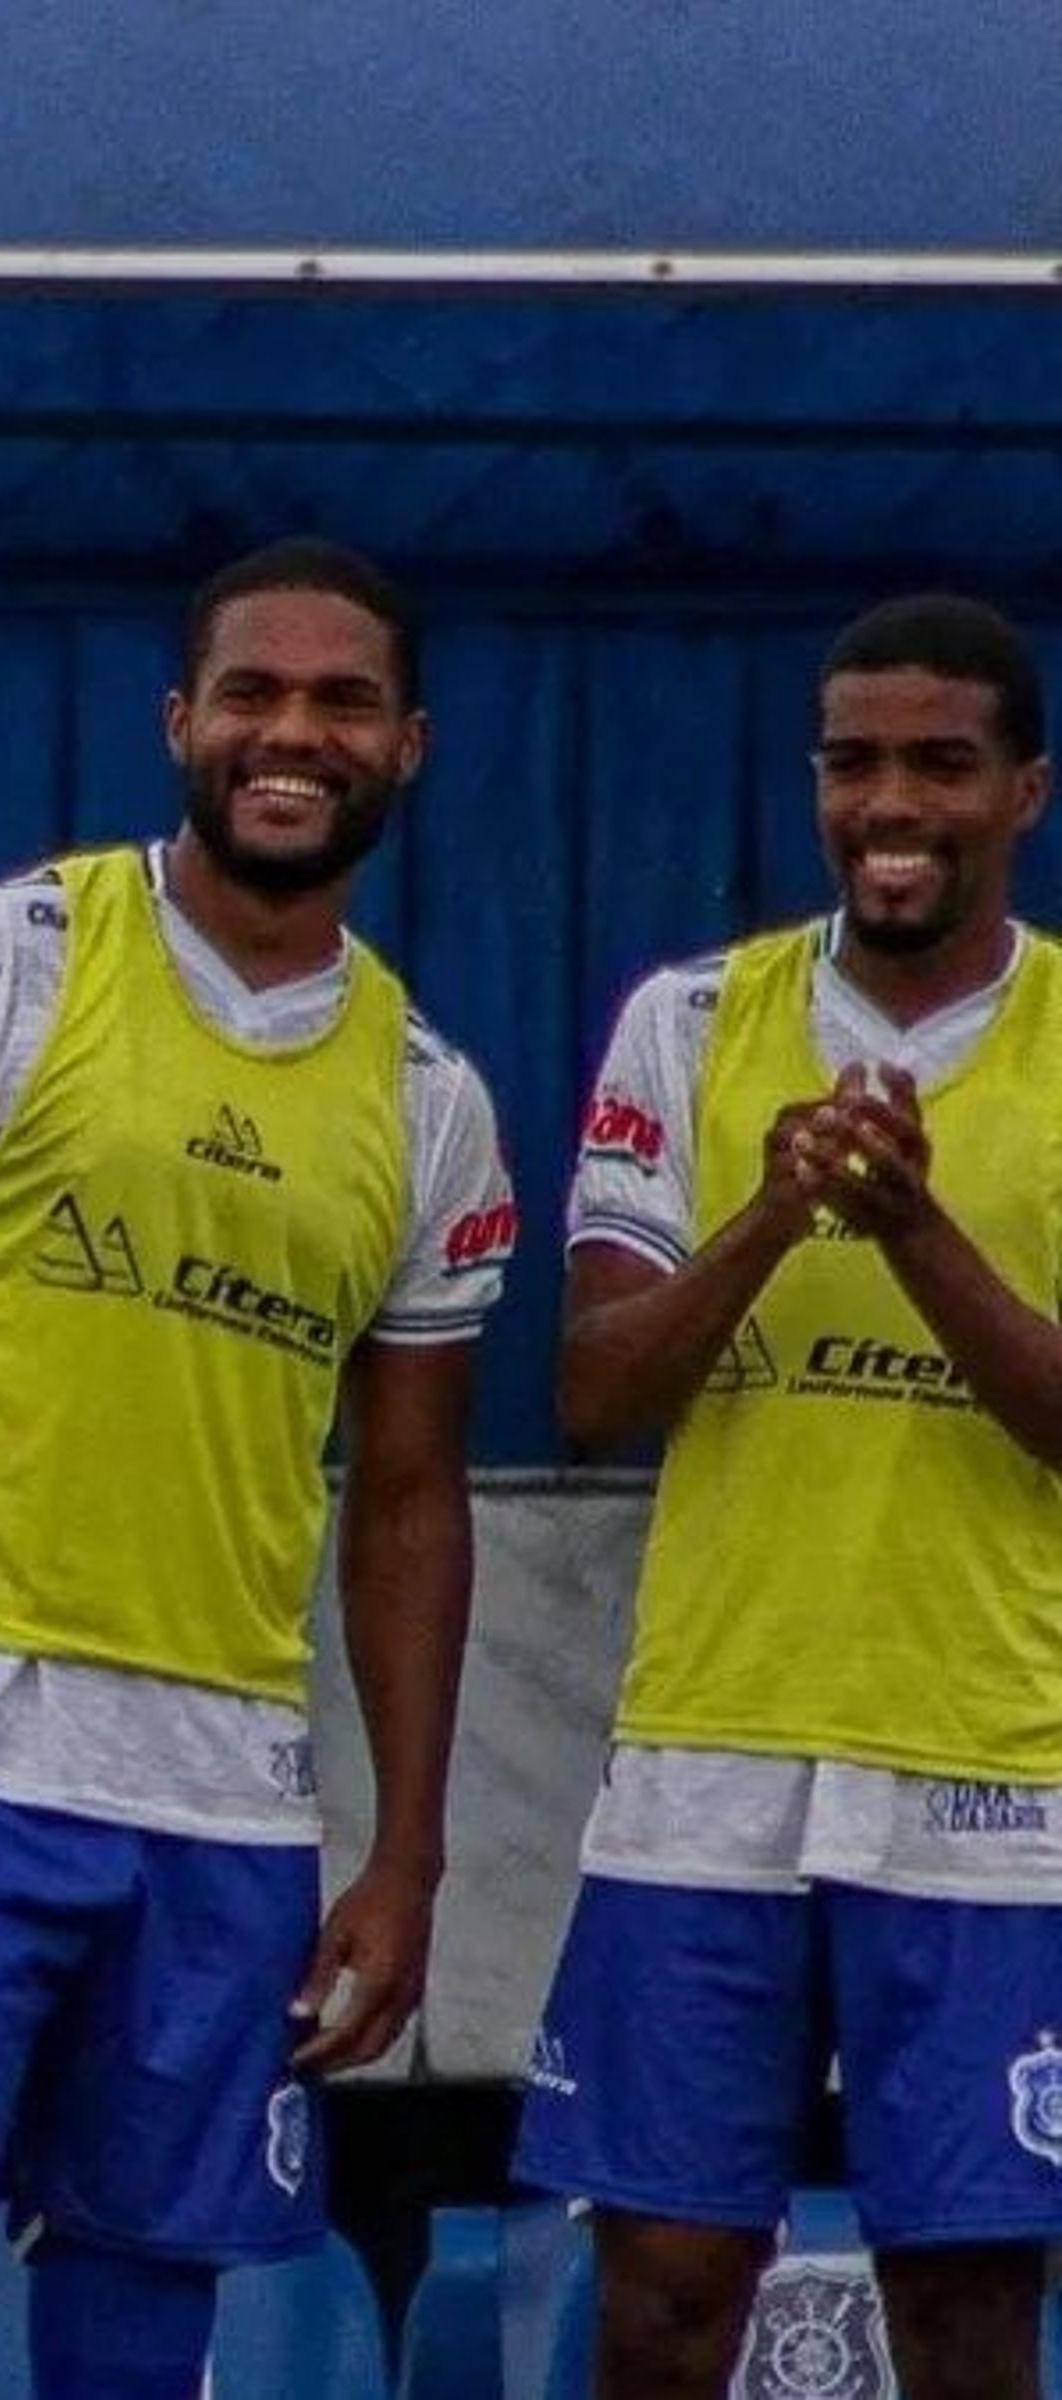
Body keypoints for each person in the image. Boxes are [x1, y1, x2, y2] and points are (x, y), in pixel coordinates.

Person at [0, 539, 513, 2399]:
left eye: (342, 702)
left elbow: (407, 1499)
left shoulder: (431, 1101)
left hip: (224, 1796)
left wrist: (406, 1852)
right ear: (181, 721)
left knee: (142, 2323)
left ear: (408, 744)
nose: (291, 734)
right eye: (252, 693)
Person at [521, 593, 1062, 2400]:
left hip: (993, 1770)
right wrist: (770, 1216)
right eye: (853, 762)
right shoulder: (691, 1021)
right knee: (667, 2291)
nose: (890, 803)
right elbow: (599, 1390)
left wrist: (910, 1226)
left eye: (939, 763)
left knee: (971, 2305)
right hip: (708, 1765)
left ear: (1025, 791)